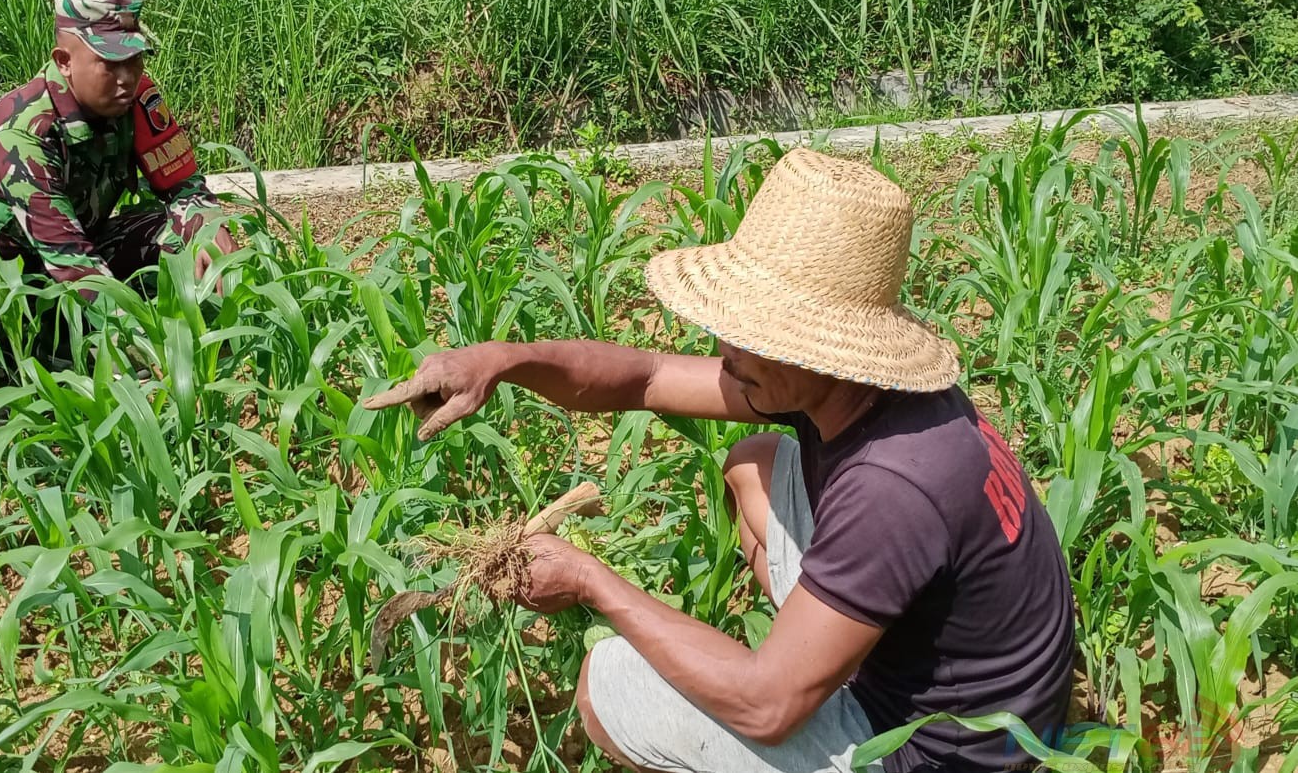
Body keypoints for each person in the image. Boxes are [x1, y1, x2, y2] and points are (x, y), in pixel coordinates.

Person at [364, 148, 1075, 773]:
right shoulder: (867, 392)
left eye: (752, 331)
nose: (725, 348)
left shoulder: (890, 487)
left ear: (816, 349)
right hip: (980, 686)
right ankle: (819, 646)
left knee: (609, 685)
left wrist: (590, 582)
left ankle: (808, 663)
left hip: (941, 753)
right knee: (753, 462)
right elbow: (644, 378)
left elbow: (767, 710)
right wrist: (502, 360)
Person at [0, 0, 237, 362]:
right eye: (110, 64)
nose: (127, 77)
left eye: (135, 60)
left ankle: (202, 337)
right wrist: (146, 348)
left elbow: (185, 187)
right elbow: (71, 262)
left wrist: (207, 227)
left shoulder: (136, 100)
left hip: (84, 245)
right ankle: (11, 369)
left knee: (185, 236)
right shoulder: (21, 133)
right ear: (64, 61)